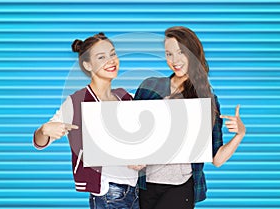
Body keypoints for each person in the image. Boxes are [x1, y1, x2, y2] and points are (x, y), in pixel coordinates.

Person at [134, 26, 246, 209]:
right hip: (145, 185)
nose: (174, 60)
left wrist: (239, 135)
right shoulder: (149, 86)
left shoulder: (206, 98)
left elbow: (216, 159)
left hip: (180, 186)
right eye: (169, 54)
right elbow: (131, 137)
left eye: (181, 53)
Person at [33, 32, 139, 209]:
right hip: (108, 192)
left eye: (113, 54)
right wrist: (44, 130)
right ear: (88, 65)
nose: (111, 60)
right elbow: (39, 142)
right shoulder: (77, 101)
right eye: (101, 57)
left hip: (137, 190)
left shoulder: (126, 97)